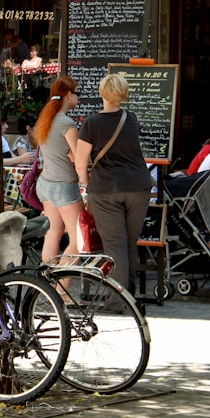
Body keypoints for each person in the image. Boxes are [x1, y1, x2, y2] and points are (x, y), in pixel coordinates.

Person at [74, 74, 153, 295]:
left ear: (101, 93)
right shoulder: (132, 119)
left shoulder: (91, 123)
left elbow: (81, 163)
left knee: (115, 245)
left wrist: (89, 185)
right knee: (129, 243)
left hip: (107, 188)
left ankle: (118, 300)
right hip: (138, 186)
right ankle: (130, 296)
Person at [32, 76, 83, 263]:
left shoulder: (46, 119)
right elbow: (79, 159)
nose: (79, 98)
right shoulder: (67, 124)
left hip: (45, 184)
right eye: (78, 94)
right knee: (79, 240)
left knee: (53, 234)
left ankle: (48, 286)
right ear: (69, 95)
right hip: (63, 185)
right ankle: (60, 289)